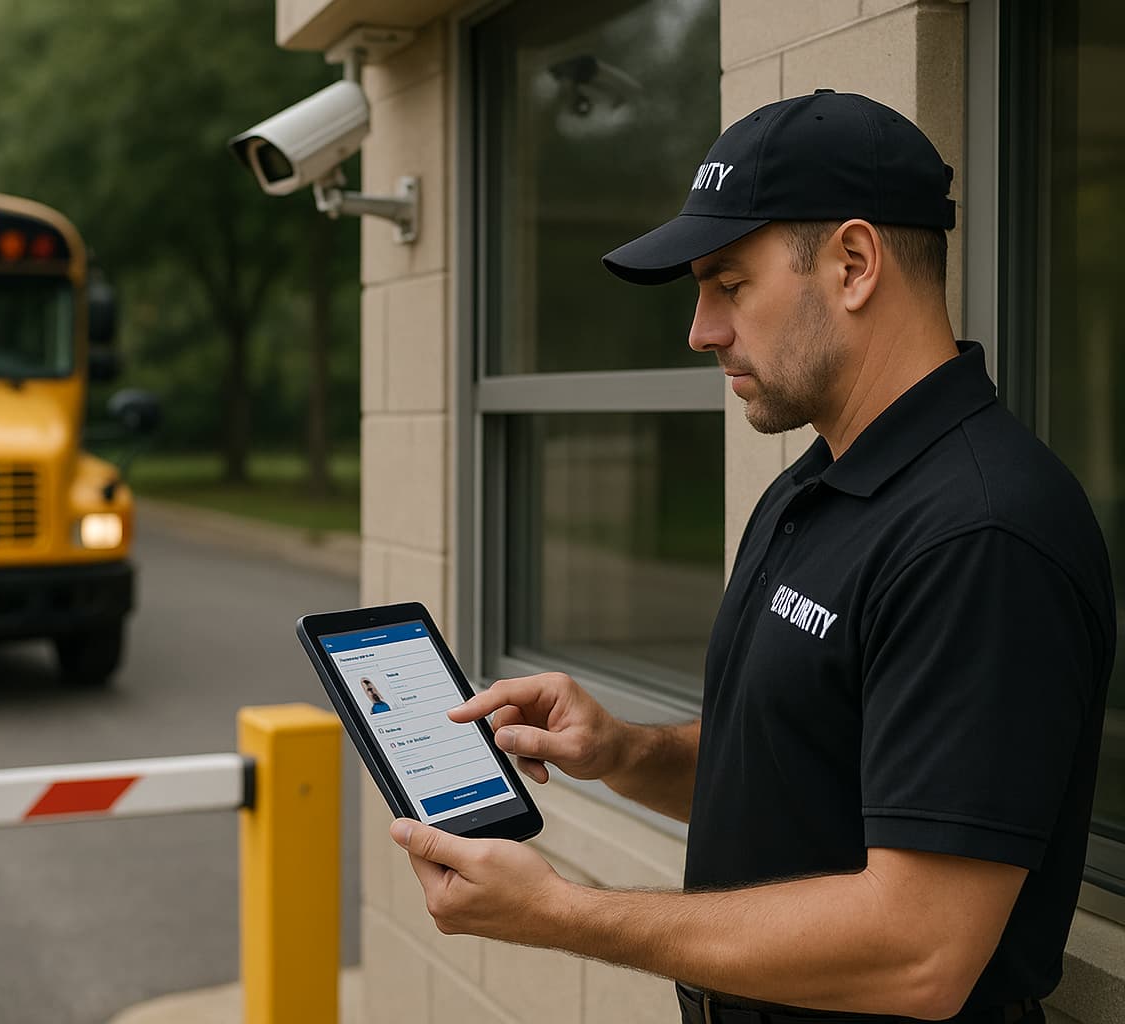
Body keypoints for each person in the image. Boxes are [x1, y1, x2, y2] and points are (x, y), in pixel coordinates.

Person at [389, 90, 1115, 1024]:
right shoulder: (813, 485)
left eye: (729, 285)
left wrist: (561, 912)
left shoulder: (981, 534)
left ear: (854, 264)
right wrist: (623, 752)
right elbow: (799, 764)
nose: (701, 330)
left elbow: (921, 951)